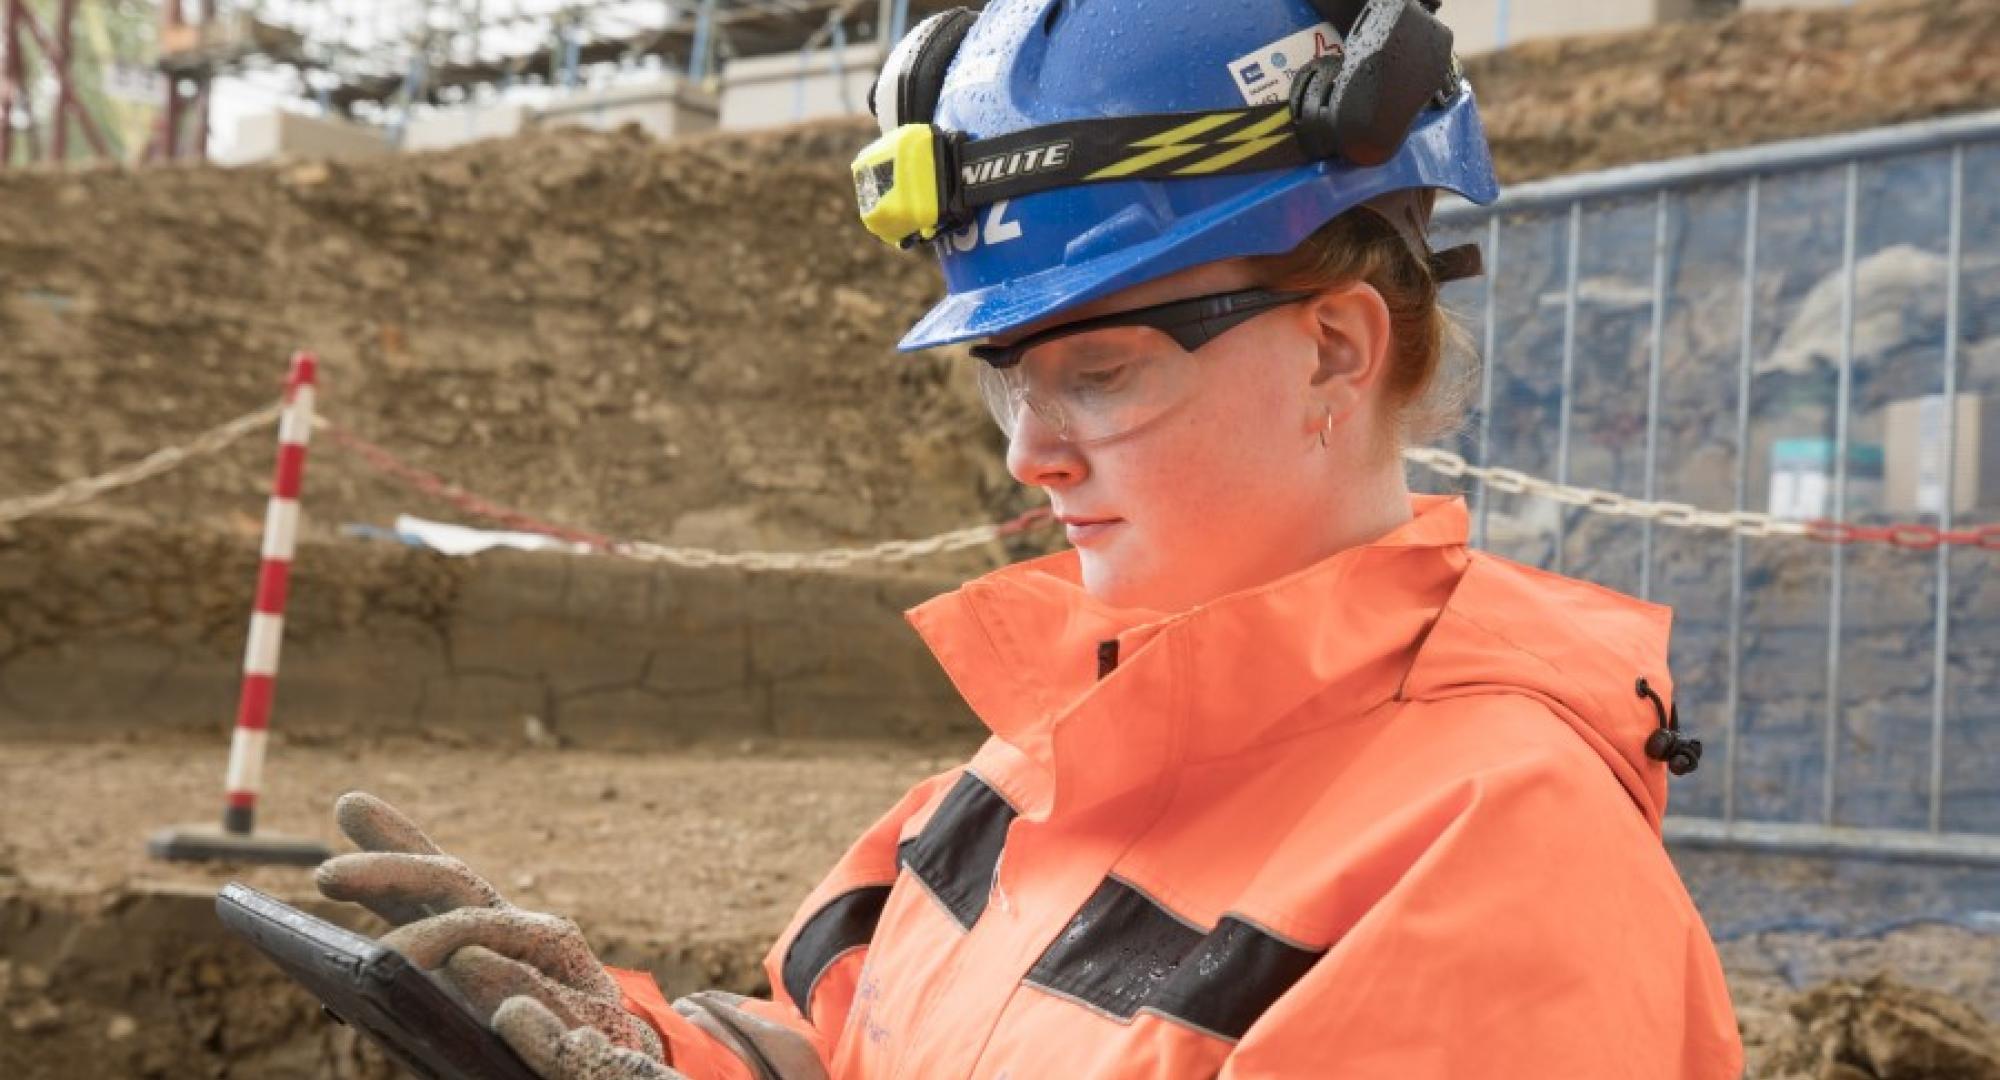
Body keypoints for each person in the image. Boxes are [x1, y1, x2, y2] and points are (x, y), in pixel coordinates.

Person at [316, 1, 1745, 1076]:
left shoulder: (1497, 860)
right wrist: (664, 1051)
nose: (1028, 449)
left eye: (1102, 372)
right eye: (1009, 373)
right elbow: (862, 1047)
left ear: (1333, 352)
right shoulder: (1037, 765)